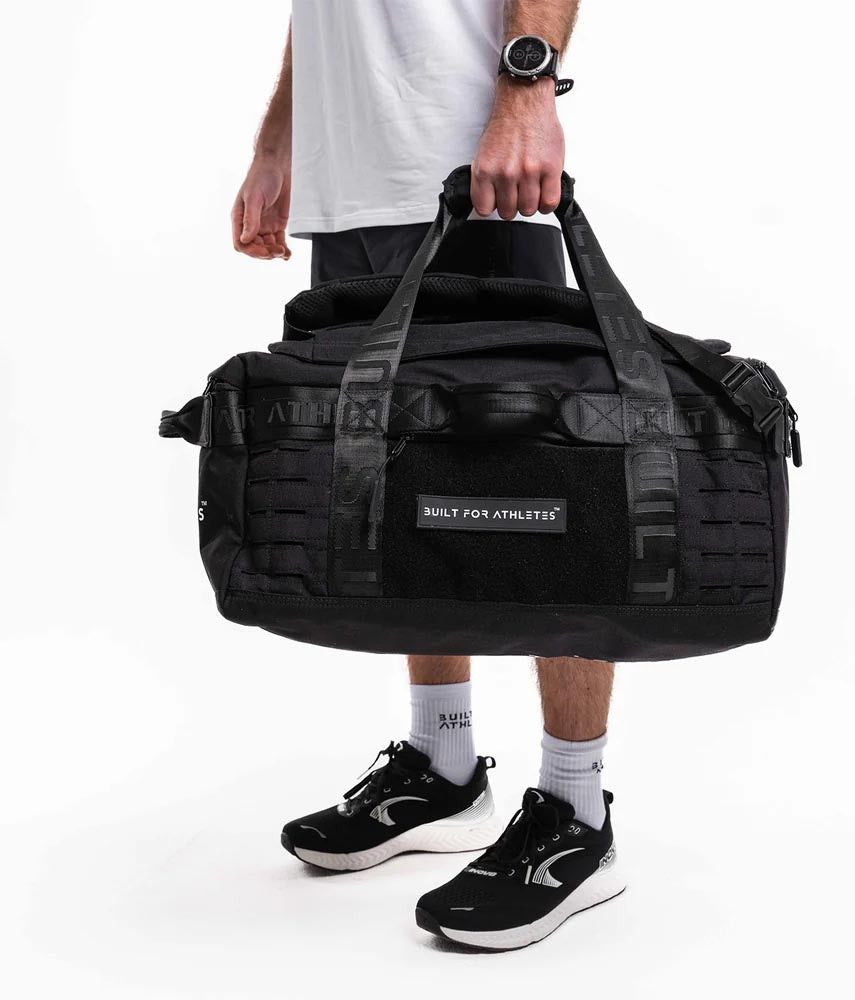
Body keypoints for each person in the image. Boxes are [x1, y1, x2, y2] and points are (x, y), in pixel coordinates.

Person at [230, 1, 621, 949]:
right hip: (349, 179)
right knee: (401, 479)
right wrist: (283, 137)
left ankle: (576, 810)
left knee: (545, 484)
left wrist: (527, 88)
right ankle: (443, 767)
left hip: (469, 157)